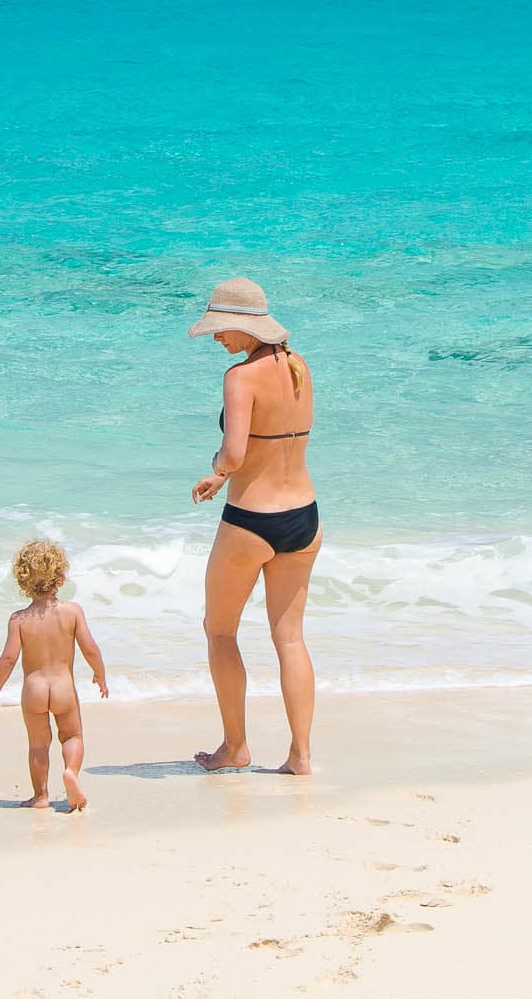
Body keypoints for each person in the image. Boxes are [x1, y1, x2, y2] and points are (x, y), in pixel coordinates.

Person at [186, 277, 319, 775]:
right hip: (304, 516)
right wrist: (226, 475)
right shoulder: (299, 366)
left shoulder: (239, 378)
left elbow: (238, 452)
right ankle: (300, 756)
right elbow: (279, 439)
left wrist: (218, 468)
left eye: (222, 329)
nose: (217, 338)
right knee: (290, 638)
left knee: (219, 631)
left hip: (251, 521)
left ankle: (235, 747)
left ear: (246, 326)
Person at [0, 539, 109, 811]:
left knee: (38, 745)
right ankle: (70, 772)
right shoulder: (72, 612)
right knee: (72, 736)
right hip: (63, 688)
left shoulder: (19, 619)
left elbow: (8, 659)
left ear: (22, 577)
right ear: (60, 574)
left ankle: (40, 796)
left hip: (34, 690)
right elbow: (90, 648)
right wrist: (100, 674)